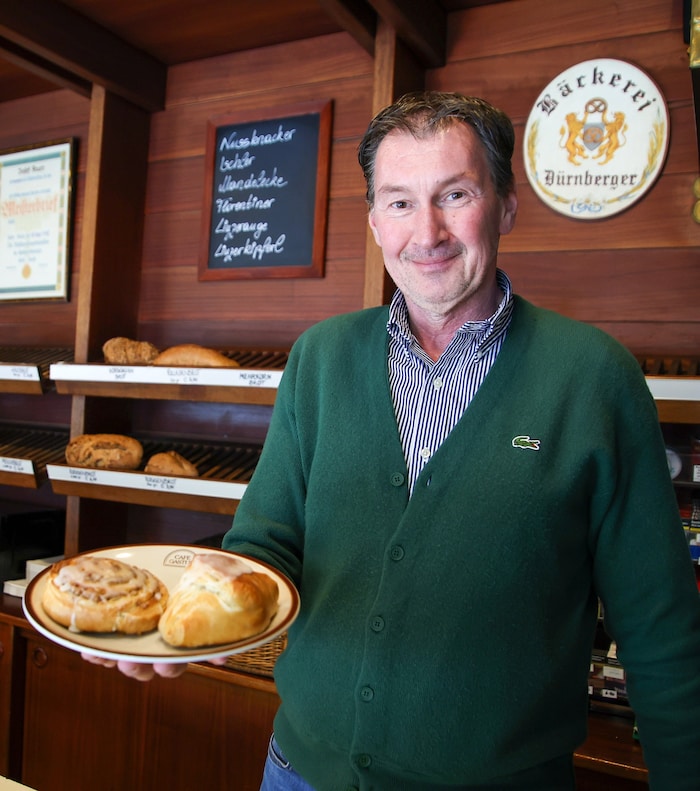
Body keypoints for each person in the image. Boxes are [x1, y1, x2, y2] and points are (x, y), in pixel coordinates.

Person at [90, 92, 700, 789]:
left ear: (505, 205)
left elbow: (660, 627)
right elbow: (265, 543)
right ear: (376, 221)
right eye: (401, 201)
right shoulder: (320, 357)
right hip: (303, 772)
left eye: (456, 193)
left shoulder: (594, 377)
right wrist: (181, 623)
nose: (428, 231)